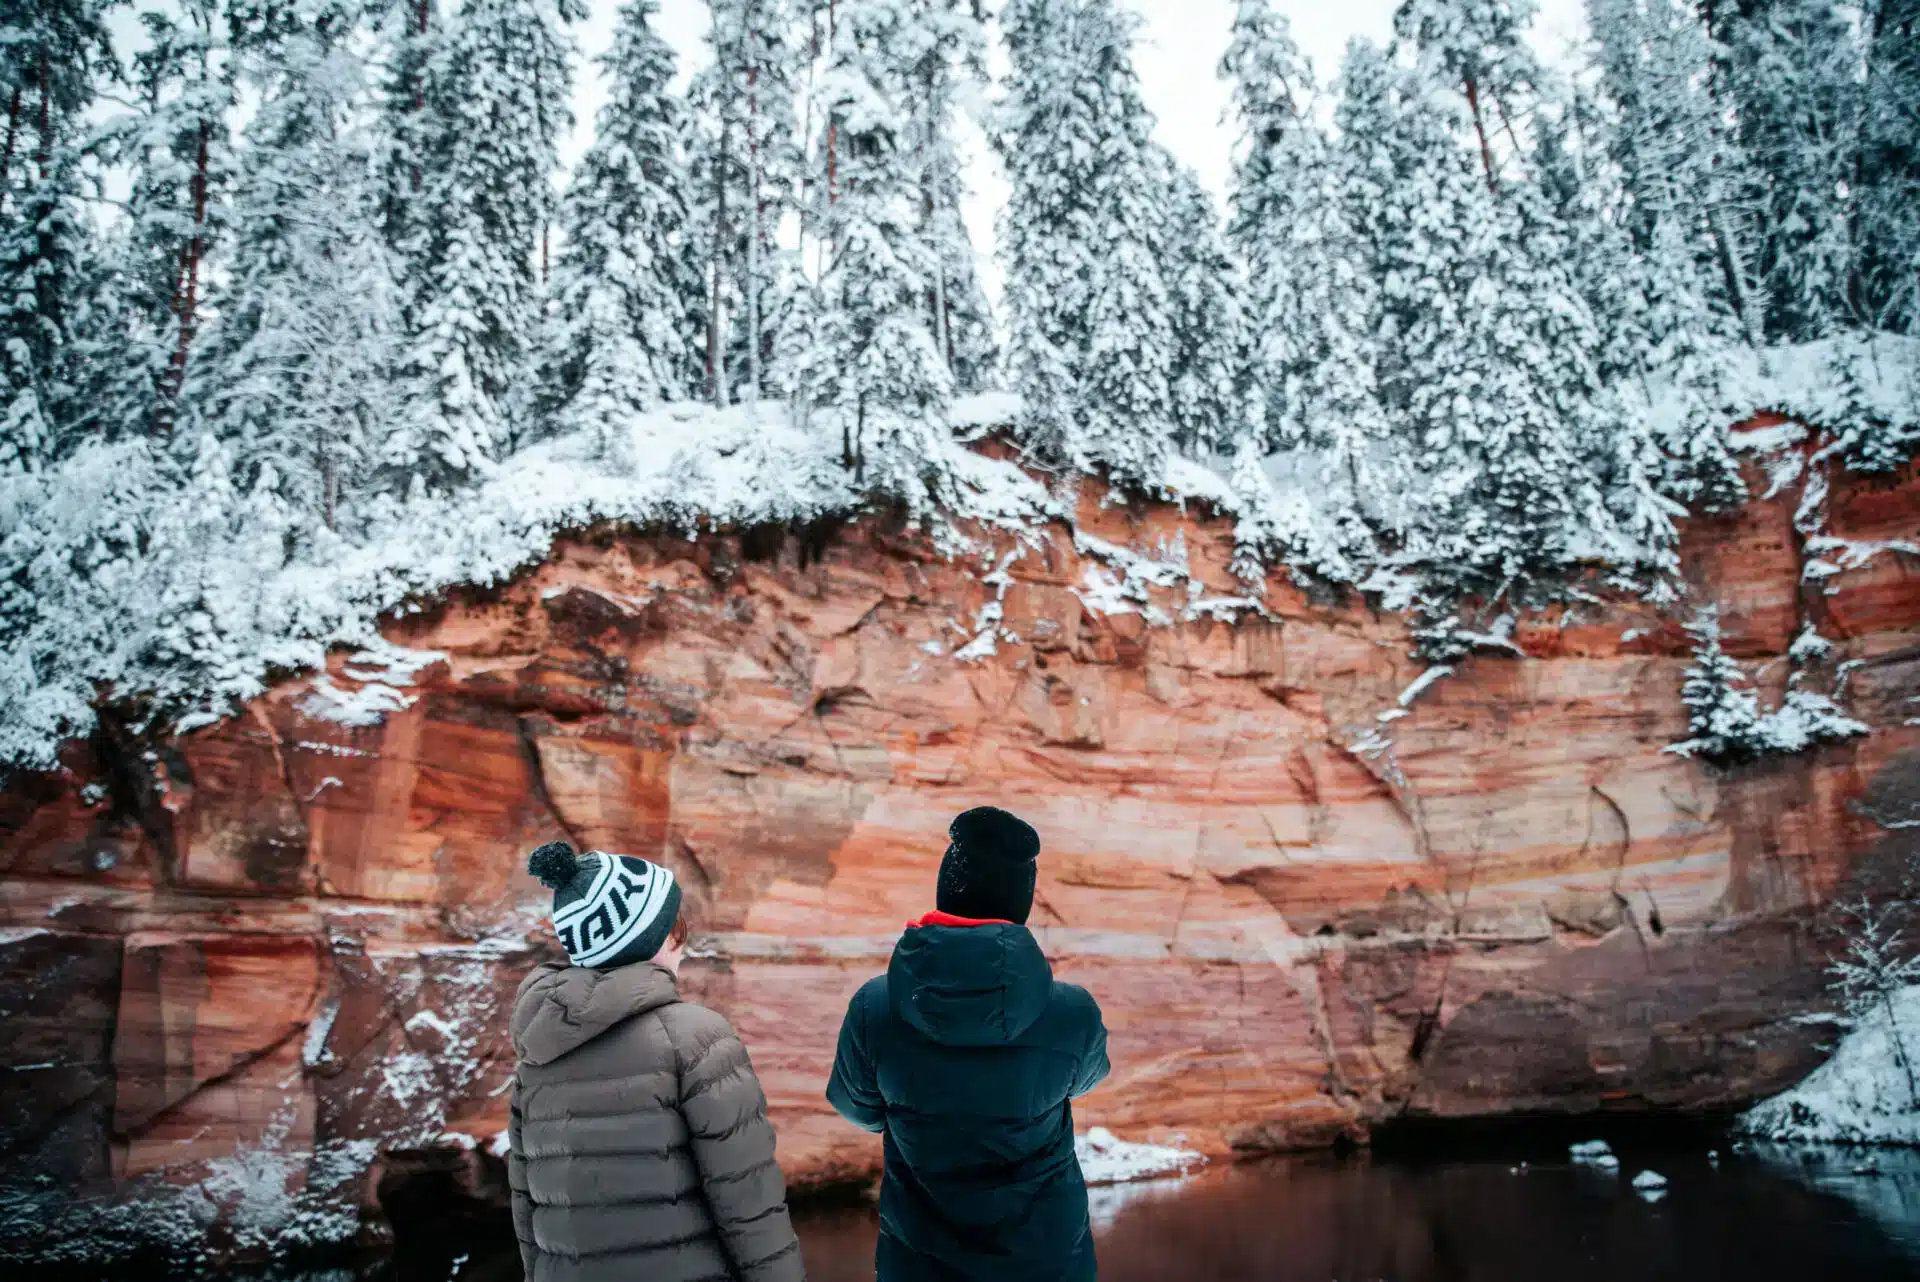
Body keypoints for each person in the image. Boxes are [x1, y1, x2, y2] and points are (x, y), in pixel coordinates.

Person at [826, 807, 1110, 1282]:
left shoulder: (875, 1007)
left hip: (919, 1262)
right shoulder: (1072, 1012)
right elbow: (1085, 1079)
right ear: (1021, 903)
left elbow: (859, 1109)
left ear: (947, 890)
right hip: (1047, 1262)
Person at [508, 840, 805, 1282]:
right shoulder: (696, 1038)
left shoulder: (535, 1057)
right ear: (663, 938)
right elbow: (749, 1201)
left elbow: (527, 1210)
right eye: (676, 927)